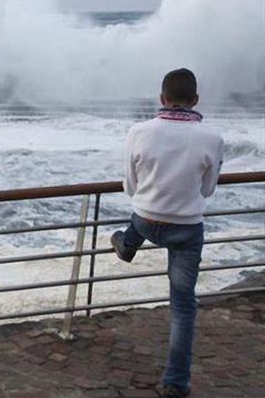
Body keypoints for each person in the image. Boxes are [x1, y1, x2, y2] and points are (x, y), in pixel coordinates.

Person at [111, 68, 224, 398]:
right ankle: (175, 383)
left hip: (145, 220)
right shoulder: (212, 138)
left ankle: (127, 243)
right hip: (186, 230)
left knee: (139, 218)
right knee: (182, 307)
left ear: (161, 99)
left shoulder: (138, 131)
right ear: (196, 100)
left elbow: (131, 186)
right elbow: (208, 189)